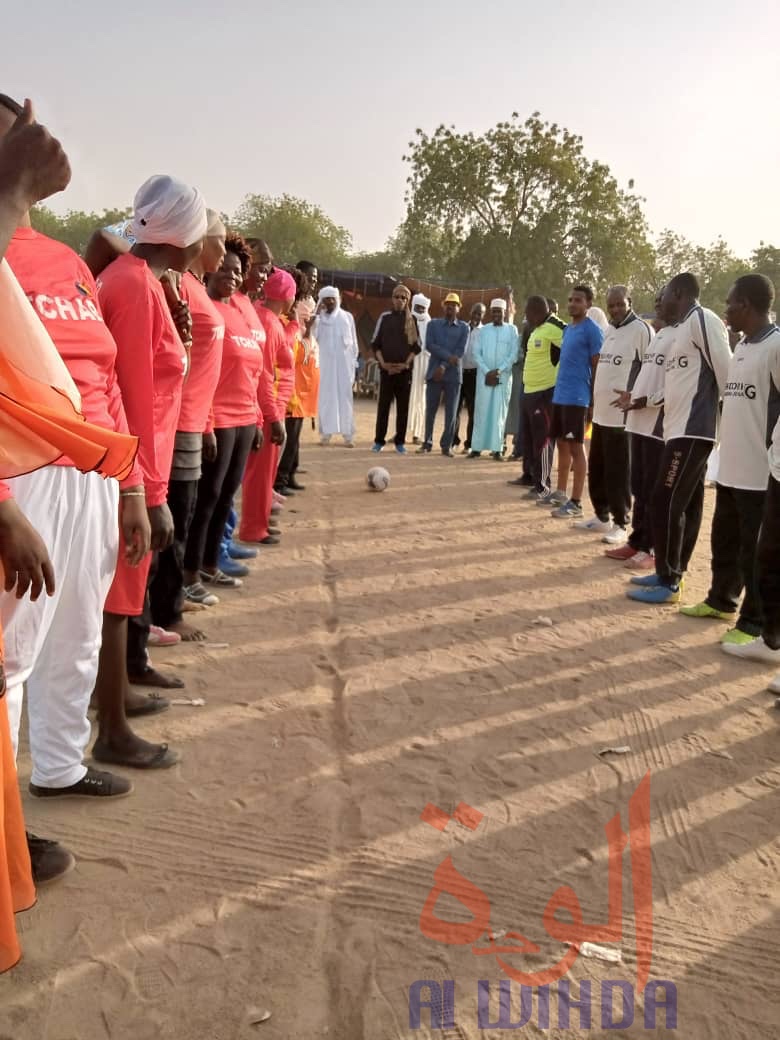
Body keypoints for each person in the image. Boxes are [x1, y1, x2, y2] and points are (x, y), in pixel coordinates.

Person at [0, 101, 154, 803]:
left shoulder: (65, 262)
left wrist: (128, 487)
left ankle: (59, 765)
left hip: (91, 473)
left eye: (25, 129)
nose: (27, 143)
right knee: (8, 655)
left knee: (77, 627)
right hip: (23, 472)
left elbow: (105, 376)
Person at [0, 94, 108, 963]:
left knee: (27, 659)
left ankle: (10, 836)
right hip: (15, 482)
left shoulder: (61, 259)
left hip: (62, 472)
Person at [93, 174, 206, 769]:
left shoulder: (144, 281)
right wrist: (150, 492)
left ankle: (112, 698)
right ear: (183, 236)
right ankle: (110, 727)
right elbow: (134, 395)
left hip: (132, 464)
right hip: (131, 469)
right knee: (117, 597)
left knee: (121, 594)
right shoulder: (135, 286)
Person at [680, 275, 780, 655]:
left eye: (731, 303)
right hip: (731, 468)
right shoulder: (741, 347)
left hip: (760, 472)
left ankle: (753, 622)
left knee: (756, 552)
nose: (726, 310)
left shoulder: (776, 346)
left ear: (749, 305)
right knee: (725, 540)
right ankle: (721, 599)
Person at [628, 272, 731, 605]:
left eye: (666, 295)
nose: (662, 302)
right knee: (682, 502)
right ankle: (669, 573)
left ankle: (669, 581)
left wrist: (729, 425)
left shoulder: (704, 320)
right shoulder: (680, 330)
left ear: (682, 293)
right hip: (674, 428)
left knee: (664, 499)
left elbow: (726, 373)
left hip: (694, 430)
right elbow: (676, 383)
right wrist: (647, 400)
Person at [148, 210, 226, 638]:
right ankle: (165, 610)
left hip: (194, 419)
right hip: (176, 420)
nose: (222, 248)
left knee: (187, 511)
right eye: (218, 240)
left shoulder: (191, 287)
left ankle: (169, 600)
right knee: (175, 515)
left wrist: (208, 420)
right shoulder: (178, 286)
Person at [184, 235, 267, 596]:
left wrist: (259, 417)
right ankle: (190, 574)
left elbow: (254, 368)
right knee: (206, 498)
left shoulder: (239, 309)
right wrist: (208, 422)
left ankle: (209, 565)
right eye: (226, 269)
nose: (231, 276)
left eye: (238, 272)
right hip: (215, 418)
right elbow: (202, 371)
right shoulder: (204, 305)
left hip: (245, 417)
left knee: (225, 496)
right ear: (212, 267)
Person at [576, 286, 651, 540]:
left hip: (622, 417)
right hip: (601, 415)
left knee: (619, 471)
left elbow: (649, 369)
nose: (616, 309)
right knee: (598, 468)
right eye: (612, 306)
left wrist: (635, 395)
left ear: (630, 302)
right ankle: (601, 516)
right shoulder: (608, 331)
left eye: (620, 304)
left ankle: (621, 523)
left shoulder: (641, 330)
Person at [606, 291, 670, 570]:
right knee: (640, 486)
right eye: (656, 302)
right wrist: (633, 396)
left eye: (664, 301)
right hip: (640, 421)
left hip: (660, 426)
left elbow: (678, 385)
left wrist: (646, 400)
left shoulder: (684, 338)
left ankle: (652, 549)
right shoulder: (660, 336)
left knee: (655, 489)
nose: (658, 307)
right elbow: (648, 378)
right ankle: (638, 542)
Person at [239, 268, 298, 544]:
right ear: (287, 298)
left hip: (267, 406)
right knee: (260, 474)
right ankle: (254, 527)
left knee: (263, 473)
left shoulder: (263, 316)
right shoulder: (269, 323)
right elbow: (266, 374)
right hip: (267, 408)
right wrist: (273, 416)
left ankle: (258, 521)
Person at [548, 285, 604, 518]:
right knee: (561, 443)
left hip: (578, 397)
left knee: (576, 447)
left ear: (588, 304)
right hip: (561, 395)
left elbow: (597, 366)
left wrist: (592, 400)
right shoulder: (569, 330)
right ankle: (560, 492)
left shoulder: (592, 331)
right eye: (570, 299)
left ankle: (576, 502)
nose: (572, 304)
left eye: (578, 300)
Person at [510, 296, 565, 499]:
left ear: (536, 311)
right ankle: (531, 478)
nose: (526, 316)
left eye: (527, 312)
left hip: (545, 393)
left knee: (543, 440)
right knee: (529, 438)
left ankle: (543, 487)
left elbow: (573, 349)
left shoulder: (556, 327)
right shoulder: (536, 329)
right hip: (529, 391)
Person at [276, 268, 320, 493]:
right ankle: (280, 480)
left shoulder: (305, 308)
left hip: (304, 385)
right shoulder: (285, 318)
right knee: (288, 436)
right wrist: (306, 330)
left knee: (295, 436)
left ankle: (290, 473)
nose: (311, 282)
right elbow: (294, 350)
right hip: (290, 387)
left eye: (314, 278)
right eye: (307, 278)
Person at [371, 284, 421, 453]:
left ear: (408, 301)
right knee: (383, 407)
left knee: (402, 409)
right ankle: (379, 441)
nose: (400, 300)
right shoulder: (384, 318)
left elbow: (416, 347)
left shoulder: (411, 320)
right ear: (392, 298)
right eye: (397, 297)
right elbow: (375, 344)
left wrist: (406, 364)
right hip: (386, 371)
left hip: (404, 372)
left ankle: (400, 442)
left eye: (403, 298)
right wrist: (384, 364)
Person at [418, 293, 469, 456]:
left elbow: (460, 351)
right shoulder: (433, 324)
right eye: (448, 304)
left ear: (459, 308)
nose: (450, 307)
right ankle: (427, 442)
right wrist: (447, 360)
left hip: (453, 376)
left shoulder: (464, 327)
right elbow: (430, 345)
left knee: (451, 412)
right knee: (430, 410)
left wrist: (444, 366)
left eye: (454, 305)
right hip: (435, 373)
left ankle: (446, 445)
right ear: (443, 306)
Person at [468, 300, 519, 459]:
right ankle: (476, 448)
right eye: (494, 311)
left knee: (499, 413)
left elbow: (514, 354)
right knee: (481, 411)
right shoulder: (484, 330)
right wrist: (486, 371)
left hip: (502, 378)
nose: (496, 314)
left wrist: (499, 370)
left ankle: (497, 449)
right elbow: (476, 353)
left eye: (499, 311)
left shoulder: (512, 330)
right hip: (484, 377)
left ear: (505, 312)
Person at [314, 286, 358, 446]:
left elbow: (354, 344)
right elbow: (313, 338)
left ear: (337, 299)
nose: (330, 301)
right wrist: (316, 315)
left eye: (333, 298)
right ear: (322, 301)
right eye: (327, 299)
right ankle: (326, 434)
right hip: (325, 366)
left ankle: (348, 436)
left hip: (344, 367)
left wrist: (354, 364)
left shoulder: (347, 317)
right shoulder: (318, 320)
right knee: (325, 398)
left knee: (345, 399)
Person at [454, 303, 485, 453]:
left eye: (480, 314)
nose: (476, 316)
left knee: (473, 411)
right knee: (455, 409)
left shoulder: (485, 332)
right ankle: (454, 441)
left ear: (483, 316)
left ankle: (469, 444)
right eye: (475, 312)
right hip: (459, 373)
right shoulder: (462, 328)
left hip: (474, 375)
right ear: (470, 312)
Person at [409, 293, 431, 443]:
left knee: (420, 400)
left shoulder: (431, 324)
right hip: (408, 363)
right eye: (418, 308)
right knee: (404, 398)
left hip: (424, 364)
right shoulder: (406, 321)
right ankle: (399, 432)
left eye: (423, 308)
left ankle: (417, 434)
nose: (420, 311)